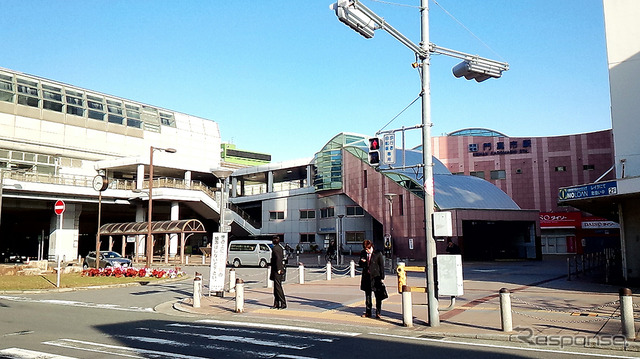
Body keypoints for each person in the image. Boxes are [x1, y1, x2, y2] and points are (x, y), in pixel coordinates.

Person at [358, 239, 386, 319]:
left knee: (378, 296)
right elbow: (360, 264)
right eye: (365, 249)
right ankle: (368, 312)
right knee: (368, 296)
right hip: (366, 277)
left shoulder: (378, 254)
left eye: (368, 249)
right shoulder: (363, 253)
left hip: (376, 277)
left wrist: (382, 277)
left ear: (371, 247)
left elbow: (381, 266)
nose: (367, 251)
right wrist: (362, 262)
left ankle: (378, 312)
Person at [269, 236, 287, 309]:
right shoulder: (280, 247)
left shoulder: (275, 249)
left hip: (277, 270)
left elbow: (278, 259)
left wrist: (279, 268)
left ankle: (283, 303)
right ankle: (276, 303)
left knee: (278, 287)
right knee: (276, 287)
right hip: (278, 269)